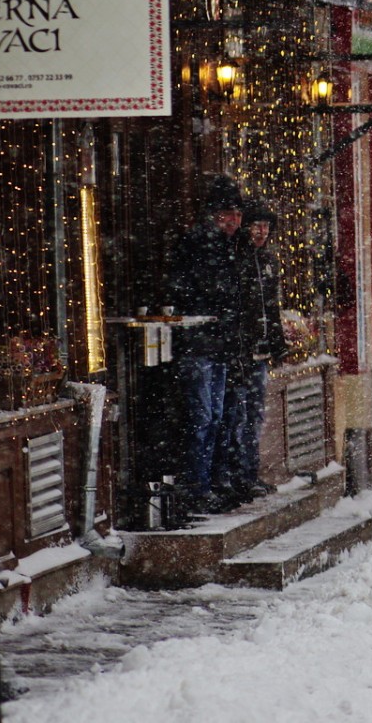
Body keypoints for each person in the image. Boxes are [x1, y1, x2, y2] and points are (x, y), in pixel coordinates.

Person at [166, 174, 247, 516]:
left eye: (238, 215)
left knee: (215, 418)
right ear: (214, 214)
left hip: (215, 345)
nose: (235, 221)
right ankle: (200, 485)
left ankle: (210, 482)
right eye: (229, 214)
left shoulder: (227, 246)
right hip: (200, 344)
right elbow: (202, 291)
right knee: (204, 418)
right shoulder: (202, 244)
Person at [219, 199, 287, 507]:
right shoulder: (237, 260)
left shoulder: (268, 261)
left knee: (253, 415)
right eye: (257, 226)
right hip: (240, 352)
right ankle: (234, 476)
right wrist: (239, 344)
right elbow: (236, 308)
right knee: (236, 413)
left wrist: (276, 341)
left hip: (258, 353)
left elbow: (271, 307)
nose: (261, 232)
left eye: (266, 228)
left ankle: (248, 473)